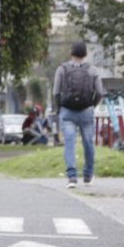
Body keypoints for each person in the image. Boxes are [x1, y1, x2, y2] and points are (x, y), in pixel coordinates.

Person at [53, 41, 104, 188]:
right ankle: (88, 176)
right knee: (88, 143)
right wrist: (91, 106)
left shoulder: (62, 69)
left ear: (71, 53)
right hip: (86, 111)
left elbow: (56, 92)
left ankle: (71, 178)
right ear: (86, 54)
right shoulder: (93, 70)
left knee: (69, 143)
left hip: (67, 112)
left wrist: (59, 108)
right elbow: (100, 92)